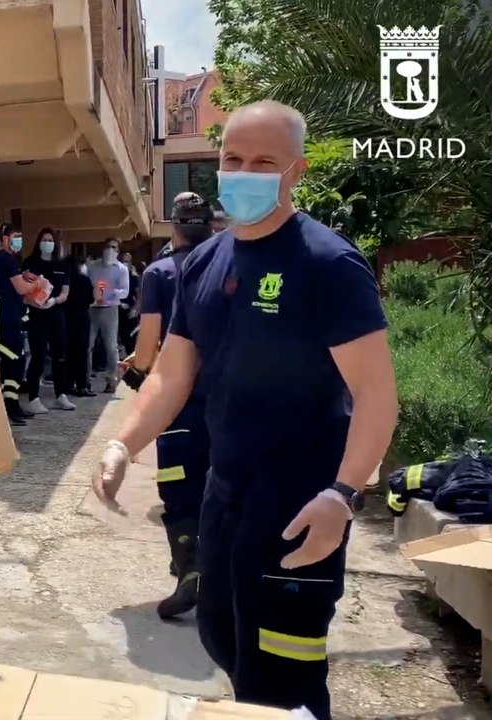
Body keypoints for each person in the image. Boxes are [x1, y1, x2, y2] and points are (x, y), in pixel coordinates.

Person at [93, 101, 398, 719]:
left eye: (265, 162)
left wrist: (344, 494)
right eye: (233, 159)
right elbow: (172, 375)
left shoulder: (326, 264)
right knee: (223, 636)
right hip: (223, 492)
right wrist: (124, 444)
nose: (244, 173)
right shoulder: (205, 263)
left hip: (300, 503)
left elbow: (376, 394)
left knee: (284, 674)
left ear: (296, 171)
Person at [123, 192, 215, 620]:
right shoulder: (230, 264)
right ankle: (225, 580)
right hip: (229, 400)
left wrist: (137, 371)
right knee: (223, 488)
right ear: (210, 224)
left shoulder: (160, 272)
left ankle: (191, 571)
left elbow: (148, 349)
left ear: (172, 226)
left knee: (180, 491)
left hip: (178, 405)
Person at [0, 223, 40, 426]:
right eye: (15, 236)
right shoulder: (4, 259)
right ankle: (10, 406)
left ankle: (12, 404)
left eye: (20, 237)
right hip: (5, 317)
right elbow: (20, 288)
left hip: (11, 314)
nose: (19, 241)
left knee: (14, 362)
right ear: (5, 238)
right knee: (14, 360)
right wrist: (37, 284)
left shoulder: (7, 260)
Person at [20, 228, 76, 414]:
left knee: (59, 356)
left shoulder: (62, 265)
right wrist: (34, 302)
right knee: (37, 356)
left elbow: (65, 292)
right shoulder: (30, 263)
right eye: (44, 239)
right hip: (37, 315)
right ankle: (34, 397)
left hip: (56, 314)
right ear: (38, 242)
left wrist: (54, 300)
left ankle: (61, 394)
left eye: (50, 239)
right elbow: (23, 290)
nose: (47, 242)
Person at [85, 238, 130, 394]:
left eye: (114, 247)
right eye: (108, 246)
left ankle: (112, 380)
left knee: (111, 347)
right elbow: (84, 284)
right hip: (92, 309)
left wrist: (109, 292)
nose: (110, 250)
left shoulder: (121, 269)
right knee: (87, 345)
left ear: (118, 251)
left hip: (110, 309)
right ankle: (85, 381)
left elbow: (125, 291)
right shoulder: (92, 266)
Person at [62, 244, 95, 397]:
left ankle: (68, 384)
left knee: (68, 353)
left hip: (66, 318)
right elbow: (91, 299)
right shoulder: (84, 280)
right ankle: (82, 385)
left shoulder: (65, 281)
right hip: (81, 318)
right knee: (82, 353)